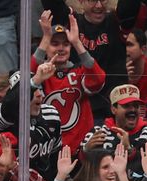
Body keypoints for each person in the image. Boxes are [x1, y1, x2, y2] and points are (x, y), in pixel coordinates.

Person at [42, 0, 129, 121]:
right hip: (78, 108)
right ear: (81, 1)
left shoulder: (116, 21)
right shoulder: (72, 22)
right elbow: (54, 5)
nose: (99, 5)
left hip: (113, 108)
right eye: (93, 0)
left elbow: (130, 7)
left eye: (103, 0)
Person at [32, 11, 106, 151]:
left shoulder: (79, 72)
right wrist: (46, 37)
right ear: (46, 46)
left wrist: (77, 42)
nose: (61, 48)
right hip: (47, 149)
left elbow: (98, 80)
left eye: (66, 44)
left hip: (80, 149)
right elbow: (24, 81)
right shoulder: (39, 73)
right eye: (54, 43)